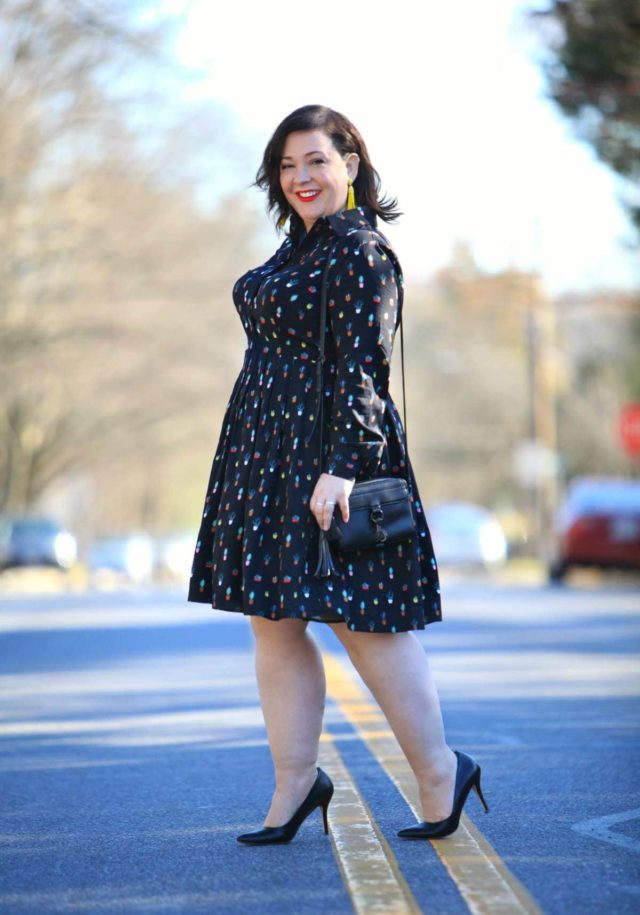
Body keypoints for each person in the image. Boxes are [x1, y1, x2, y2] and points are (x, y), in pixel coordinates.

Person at [187, 104, 488, 844]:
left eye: (315, 160)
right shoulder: (296, 251)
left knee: (364, 623)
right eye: (288, 166)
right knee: (274, 620)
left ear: (350, 163)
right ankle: (295, 784)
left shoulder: (360, 252)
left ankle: (440, 772)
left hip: (331, 458)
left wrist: (342, 468)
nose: (301, 178)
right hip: (265, 453)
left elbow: (364, 368)